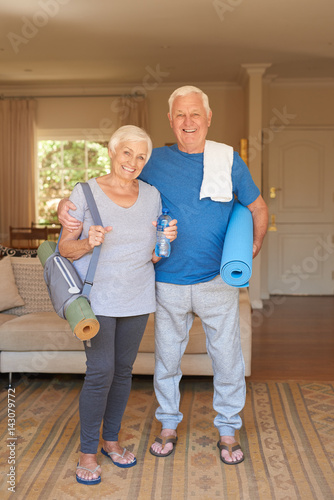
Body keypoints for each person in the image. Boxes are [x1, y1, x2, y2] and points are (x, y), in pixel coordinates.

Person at [58, 86, 268, 466]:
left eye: (195, 114)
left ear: (208, 118)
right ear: (171, 121)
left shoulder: (228, 160)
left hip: (216, 281)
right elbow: (105, 185)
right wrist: (64, 206)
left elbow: (257, 207)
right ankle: (167, 426)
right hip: (165, 284)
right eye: (180, 115)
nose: (188, 122)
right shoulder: (153, 161)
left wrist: (248, 251)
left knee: (227, 359)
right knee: (166, 361)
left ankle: (227, 428)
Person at [58, 125, 177, 485]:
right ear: (112, 151)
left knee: (124, 372)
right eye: (128, 153)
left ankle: (111, 440)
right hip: (97, 300)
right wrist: (88, 242)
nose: (134, 162)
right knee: (101, 372)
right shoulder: (85, 193)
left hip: (138, 297)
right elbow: (65, 248)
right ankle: (88, 452)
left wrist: (164, 241)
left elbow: (153, 255)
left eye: (141, 156)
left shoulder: (153, 196)